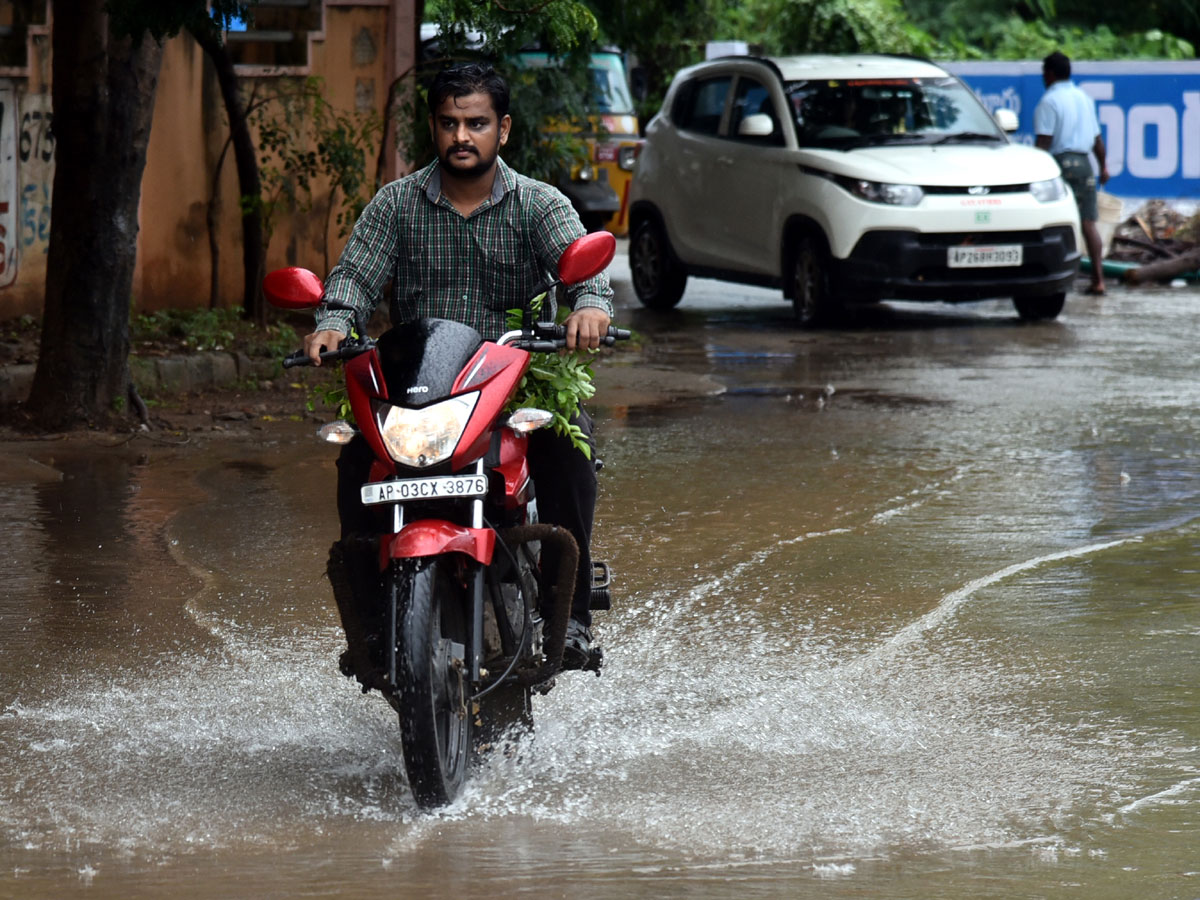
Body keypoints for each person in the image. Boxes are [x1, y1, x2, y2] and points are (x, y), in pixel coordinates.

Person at [303, 62, 614, 667]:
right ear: (433, 128)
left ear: (504, 129)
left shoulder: (538, 204)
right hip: (419, 390)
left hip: (518, 382)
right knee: (354, 467)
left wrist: (591, 310)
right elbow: (354, 275)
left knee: (569, 457)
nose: (462, 136)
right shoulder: (396, 205)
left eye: (476, 123)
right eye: (449, 123)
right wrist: (334, 321)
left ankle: (568, 620)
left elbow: (587, 269)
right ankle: (369, 626)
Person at [1034, 50, 1110, 295]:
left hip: (1061, 163)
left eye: (1044, 73)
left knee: (1052, 223)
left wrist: (1033, 169)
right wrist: (1104, 167)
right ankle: (1099, 280)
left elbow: (1044, 141)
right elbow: (1098, 140)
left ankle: (1053, 279)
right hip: (1085, 163)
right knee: (1089, 224)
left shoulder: (1049, 100)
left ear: (1050, 74)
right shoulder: (1084, 98)